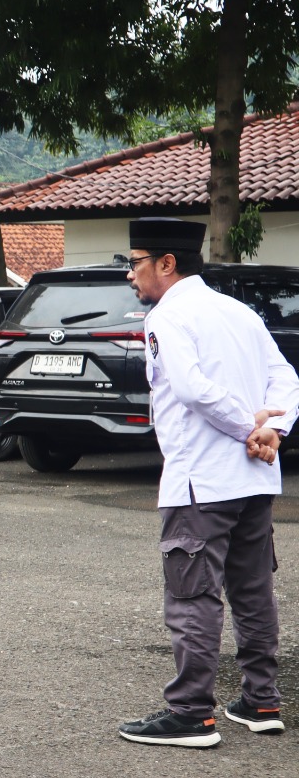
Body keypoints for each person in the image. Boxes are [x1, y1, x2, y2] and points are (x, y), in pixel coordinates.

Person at [117, 218, 299, 748]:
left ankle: (192, 713)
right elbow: (286, 377)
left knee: (192, 594)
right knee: (252, 590)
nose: (130, 273)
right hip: (255, 476)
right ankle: (261, 701)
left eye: (135, 262)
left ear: (166, 263)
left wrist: (250, 429)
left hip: (201, 479)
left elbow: (192, 390)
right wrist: (271, 430)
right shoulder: (237, 311)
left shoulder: (167, 316)